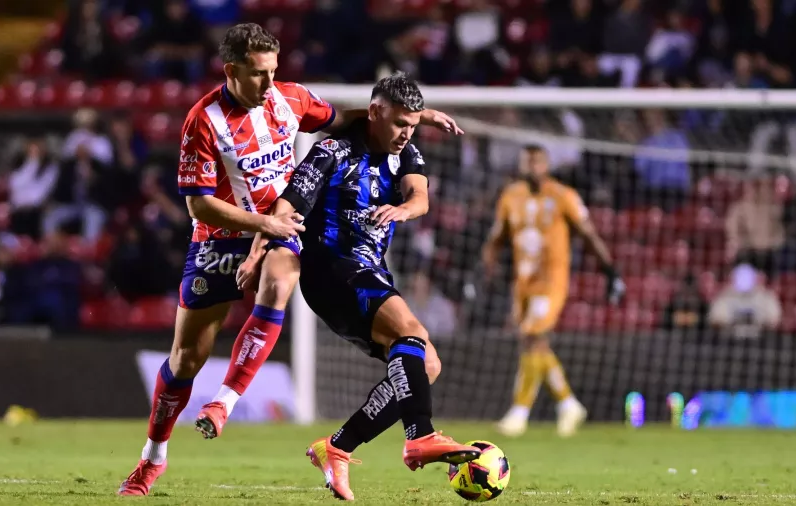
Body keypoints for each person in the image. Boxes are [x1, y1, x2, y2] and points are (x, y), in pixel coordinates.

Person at [117, 23, 463, 496]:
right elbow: (198, 206)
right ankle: (152, 458)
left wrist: (415, 119)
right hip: (224, 234)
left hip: (287, 225)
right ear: (232, 69)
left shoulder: (290, 99)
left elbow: (348, 119)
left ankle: (226, 402)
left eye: (274, 71)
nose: (268, 83)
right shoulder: (204, 121)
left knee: (281, 282)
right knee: (184, 361)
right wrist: (260, 229)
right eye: (259, 74)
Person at [227, 73, 481, 501]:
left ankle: (338, 447)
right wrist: (255, 254)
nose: (407, 133)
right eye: (401, 123)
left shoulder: (408, 152)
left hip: (370, 272)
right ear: (376, 112)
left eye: (414, 124)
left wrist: (403, 210)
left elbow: (420, 197)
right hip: (330, 268)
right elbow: (285, 205)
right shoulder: (332, 150)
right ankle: (420, 436)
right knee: (412, 333)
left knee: (425, 365)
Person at [480, 144, 625, 438]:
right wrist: (482, 272)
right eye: (528, 161)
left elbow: (588, 234)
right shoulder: (511, 197)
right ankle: (568, 403)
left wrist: (610, 272)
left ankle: (519, 413)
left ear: (546, 165)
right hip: (522, 282)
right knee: (532, 344)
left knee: (534, 336)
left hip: (552, 280)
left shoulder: (563, 195)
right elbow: (496, 237)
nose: (533, 167)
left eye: (538, 161)